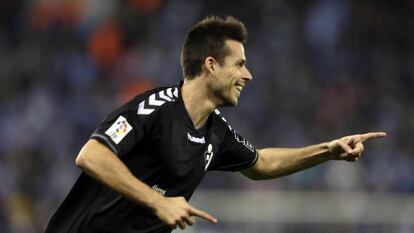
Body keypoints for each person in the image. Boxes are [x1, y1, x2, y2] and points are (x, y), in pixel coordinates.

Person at [44, 15, 386, 233]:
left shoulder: (217, 131)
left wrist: (328, 150)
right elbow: (91, 155)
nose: (248, 75)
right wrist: (158, 201)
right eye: (239, 65)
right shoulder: (156, 107)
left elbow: (261, 163)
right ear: (210, 65)